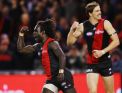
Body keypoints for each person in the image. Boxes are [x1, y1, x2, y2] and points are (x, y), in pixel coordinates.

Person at [67, 1, 120, 93]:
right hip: (91, 63)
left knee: (110, 91)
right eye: (97, 11)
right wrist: (71, 30)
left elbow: (116, 41)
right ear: (90, 14)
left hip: (105, 62)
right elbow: (70, 43)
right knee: (92, 91)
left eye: (100, 10)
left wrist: (102, 52)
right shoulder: (83, 26)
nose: (100, 12)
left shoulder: (105, 23)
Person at [17, 19, 76, 93]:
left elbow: (62, 56)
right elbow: (21, 49)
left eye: (36, 31)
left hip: (63, 76)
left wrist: (61, 72)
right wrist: (21, 34)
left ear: (43, 32)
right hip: (52, 79)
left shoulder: (52, 43)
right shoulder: (37, 46)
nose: (33, 33)